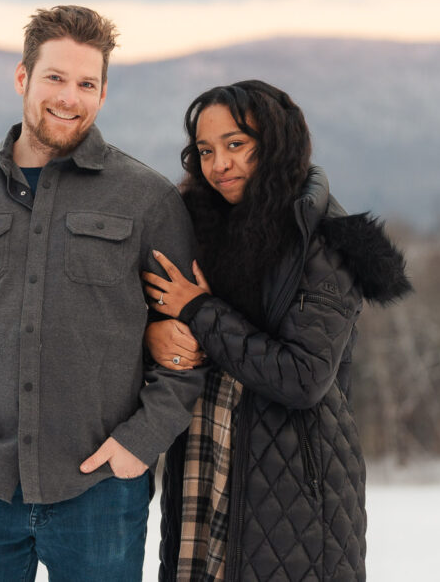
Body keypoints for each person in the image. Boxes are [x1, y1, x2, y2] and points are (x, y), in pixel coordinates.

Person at [0, 5, 206, 581]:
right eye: (55, 77)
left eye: (87, 83)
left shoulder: (148, 200)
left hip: (102, 488)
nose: (70, 96)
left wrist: (140, 442)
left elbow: (189, 336)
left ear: (103, 94)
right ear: (22, 78)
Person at [142, 80, 411, 581]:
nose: (219, 164)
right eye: (205, 150)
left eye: (236, 145)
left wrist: (200, 310)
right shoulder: (198, 228)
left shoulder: (322, 241)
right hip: (205, 457)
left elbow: (303, 377)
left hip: (293, 486)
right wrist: (156, 337)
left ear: (277, 145)